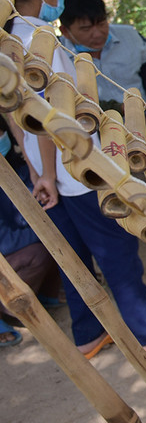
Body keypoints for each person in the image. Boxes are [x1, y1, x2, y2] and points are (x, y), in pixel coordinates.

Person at [1, 0, 146, 359]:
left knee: (72, 258)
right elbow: (46, 112)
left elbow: (11, 110)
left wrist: (33, 164)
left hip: (48, 171)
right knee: (117, 252)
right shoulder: (37, 41)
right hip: (76, 171)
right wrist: (47, 171)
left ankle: (88, 334)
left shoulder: (8, 40)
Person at [58, 0, 146, 148]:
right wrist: (122, 108)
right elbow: (70, 102)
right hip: (96, 133)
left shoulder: (129, 37)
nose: (97, 33)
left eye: (101, 24)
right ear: (65, 31)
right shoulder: (59, 57)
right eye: (86, 29)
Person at [0, 117, 63, 348]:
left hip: (19, 245)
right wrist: (46, 232)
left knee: (58, 233)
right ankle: (7, 306)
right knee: (44, 248)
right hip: (8, 253)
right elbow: (5, 242)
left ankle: (46, 293)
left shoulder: (18, 167)